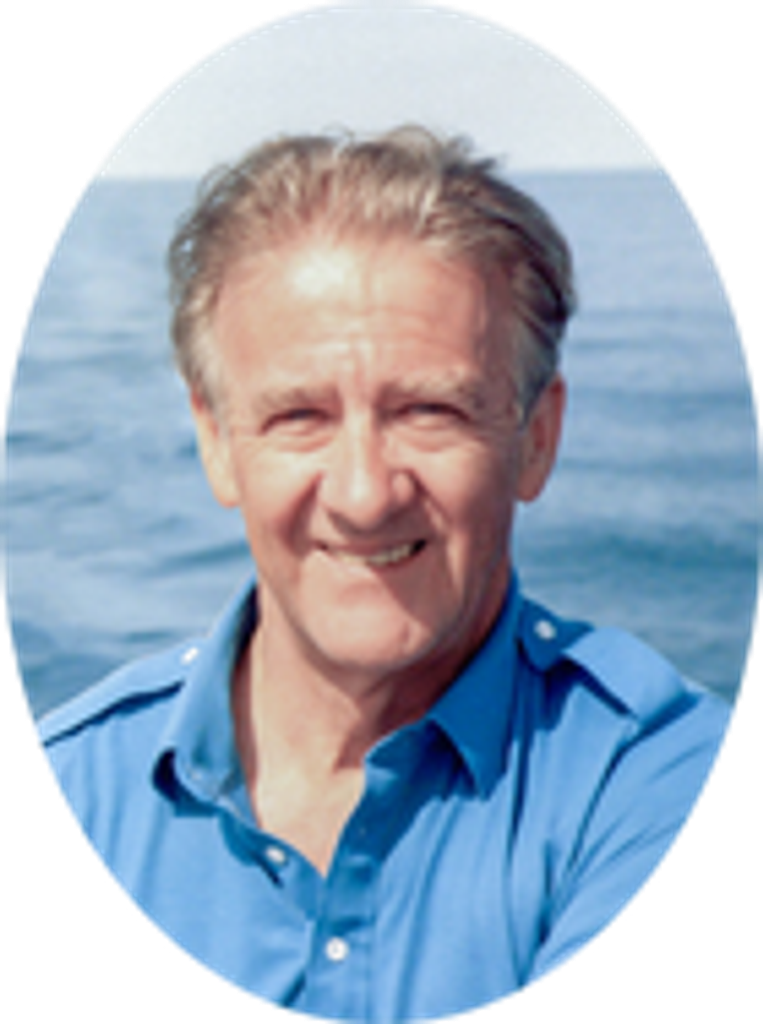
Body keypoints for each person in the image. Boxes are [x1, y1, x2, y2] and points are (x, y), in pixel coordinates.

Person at [34, 127, 735, 1019]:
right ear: (216, 441)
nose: (364, 496)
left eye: (429, 410)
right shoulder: (79, 782)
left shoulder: (653, 780)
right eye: (299, 415)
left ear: (535, 439)